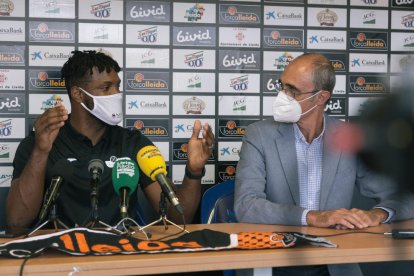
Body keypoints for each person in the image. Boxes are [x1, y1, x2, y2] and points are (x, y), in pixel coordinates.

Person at [234, 53, 414, 276]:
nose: (283, 96)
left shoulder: (347, 138)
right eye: (282, 87)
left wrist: (377, 215)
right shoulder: (258, 135)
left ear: (321, 98)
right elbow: (247, 205)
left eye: (293, 90)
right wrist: (315, 217)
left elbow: (405, 197)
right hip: (274, 260)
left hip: (335, 262)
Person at [6, 50, 214, 234]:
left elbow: (176, 217)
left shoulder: (133, 143)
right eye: (106, 88)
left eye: (117, 86)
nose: (116, 94)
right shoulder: (40, 142)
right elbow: (17, 222)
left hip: (118, 254)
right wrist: (41, 152)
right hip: (57, 256)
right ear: (78, 94)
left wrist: (193, 171)